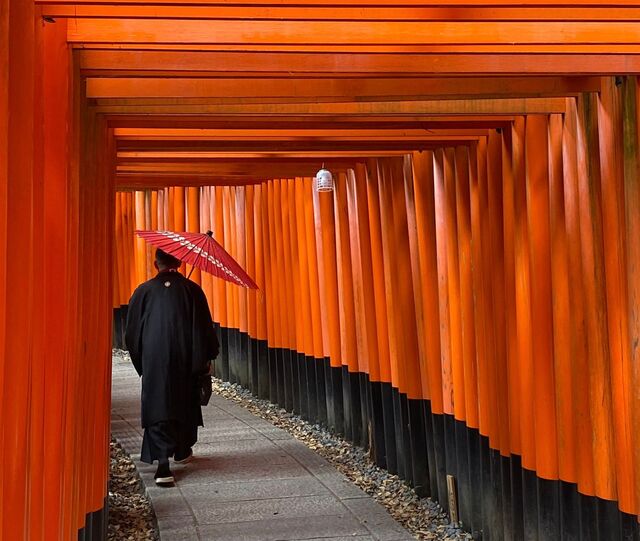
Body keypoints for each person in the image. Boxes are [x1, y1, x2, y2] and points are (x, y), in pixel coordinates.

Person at [125, 248, 219, 486]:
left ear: (155, 265)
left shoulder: (143, 291)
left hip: (155, 360)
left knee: (158, 405)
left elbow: (132, 333)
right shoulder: (192, 290)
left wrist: (142, 360)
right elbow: (204, 330)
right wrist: (205, 359)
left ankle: (163, 466)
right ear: (179, 262)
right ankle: (182, 450)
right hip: (185, 359)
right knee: (183, 402)